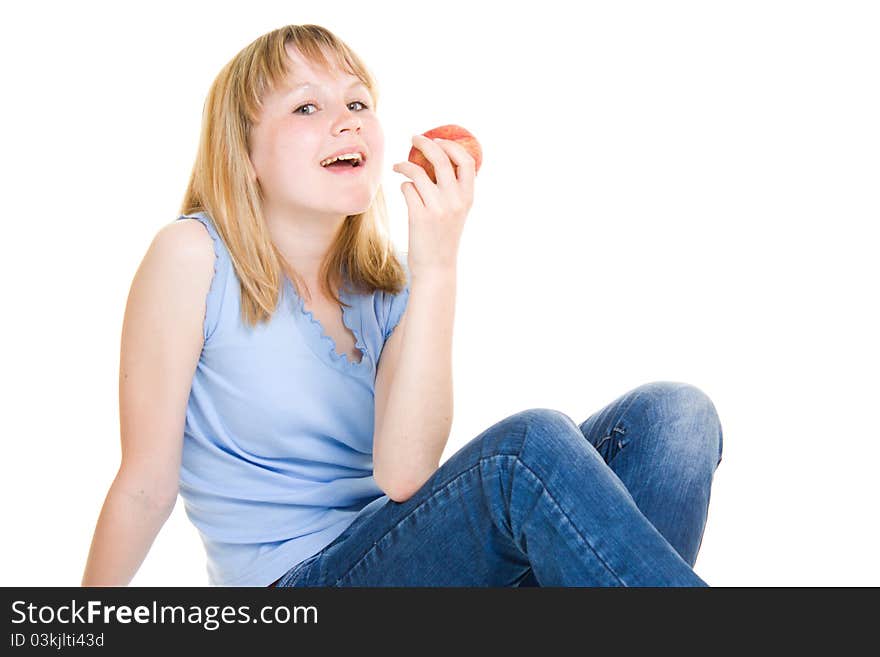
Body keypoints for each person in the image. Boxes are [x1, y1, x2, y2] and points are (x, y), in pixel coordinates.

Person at [81, 23, 723, 587]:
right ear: (244, 155)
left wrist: (436, 264)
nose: (347, 119)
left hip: (399, 566)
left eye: (358, 101)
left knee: (674, 416)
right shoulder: (193, 256)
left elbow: (402, 473)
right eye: (307, 107)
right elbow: (144, 487)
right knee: (522, 451)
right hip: (295, 590)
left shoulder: (385, 290)